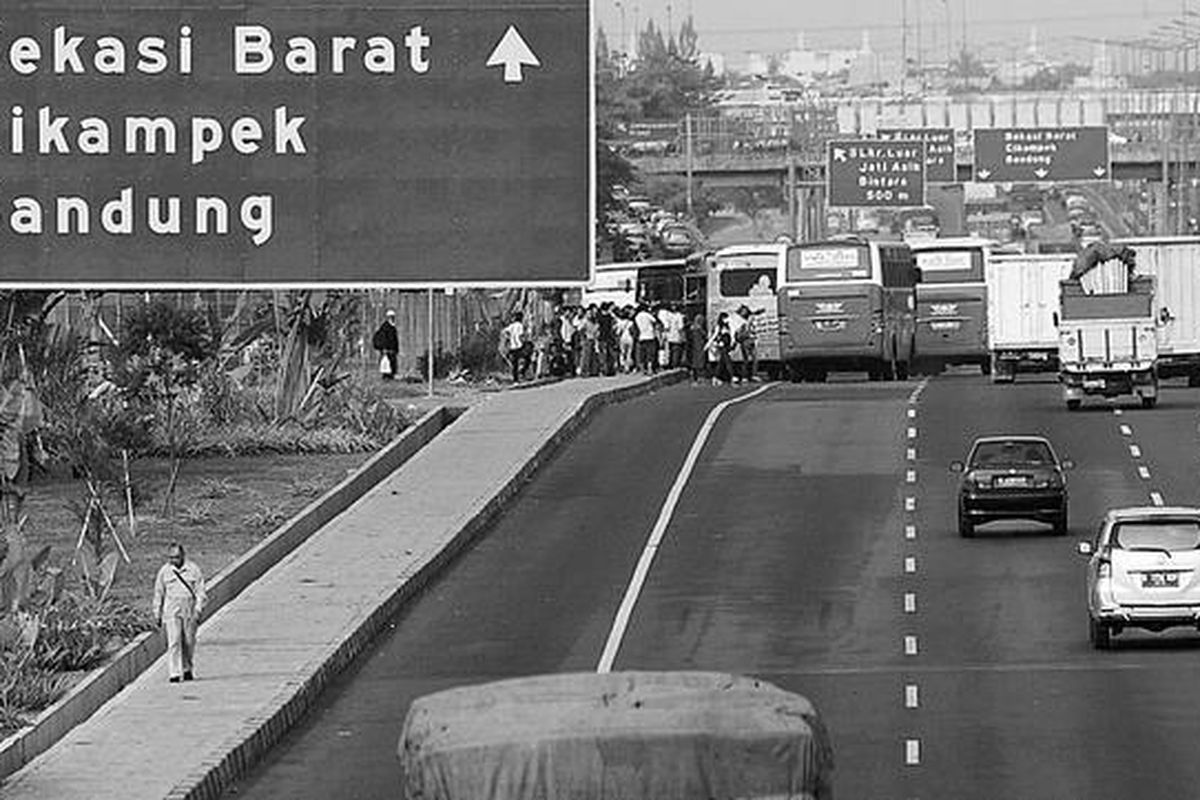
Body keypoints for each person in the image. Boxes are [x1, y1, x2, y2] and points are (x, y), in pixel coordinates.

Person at [154, 542, 206, 683]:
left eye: (176, 557)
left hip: (189, 608)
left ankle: (187, 668)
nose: (173, 560)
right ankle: (174, 672)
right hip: (171, 610)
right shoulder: (164, 571)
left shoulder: (193, 569)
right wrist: (157, 613)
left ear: (183, 556)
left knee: (188, 641)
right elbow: (159, 593)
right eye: (171, 557)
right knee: (174, 640)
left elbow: (200, 591)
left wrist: (198, 609)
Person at [500, 311, 531, 383]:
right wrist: (524, 342)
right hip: (519, 346)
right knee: (527, 358)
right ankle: (522, 372)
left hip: (512, 346)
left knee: (515, 364)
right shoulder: (520, 325)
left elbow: (504, 331)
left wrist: (508, 338)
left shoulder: (511, 326)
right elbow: (521, 335)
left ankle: (515, 380)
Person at [371, 310, 399, 380]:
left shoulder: (391, 327)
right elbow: (385, 339)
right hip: (387, 351)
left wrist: (395, 349)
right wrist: (385, 348)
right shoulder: (386, 327)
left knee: (390, 366)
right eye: (391, 317)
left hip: (391, 351)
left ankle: (389, 377)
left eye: (393, 317)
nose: (392, 319)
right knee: (387, 366)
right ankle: (387, 378)